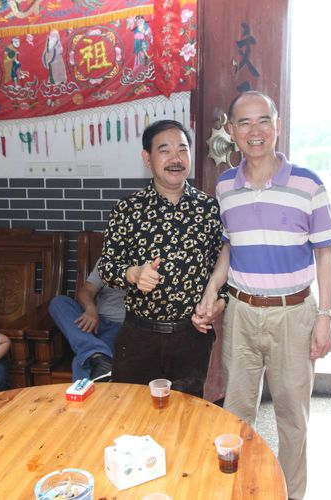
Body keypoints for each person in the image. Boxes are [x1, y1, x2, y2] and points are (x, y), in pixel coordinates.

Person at [196, 90, 331, 500]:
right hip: (240, 312)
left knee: (293, 419)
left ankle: (291, 494)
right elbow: (230, 245)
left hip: (294, 313)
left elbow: (324, 253)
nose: (254, 131)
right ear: (231, 130)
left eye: (263, 121)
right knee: (236, 413)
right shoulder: (225, 185)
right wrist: (212, 288)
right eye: (244, 122)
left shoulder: (308, 183)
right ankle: (237, 490)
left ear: (277, 125)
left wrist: (325, 316)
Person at [97, 119, 226, 398]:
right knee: (131, 411)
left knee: (186, 414)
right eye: (165, 150)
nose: (175, 158)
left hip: (192, 337)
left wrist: (219, 302)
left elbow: (223, 267)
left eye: (182, 149)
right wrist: (133, 273)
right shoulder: (127, 209)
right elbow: (107, 267)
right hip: (139, 336)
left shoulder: (209, 209)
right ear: (147, 158)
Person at [48, 260, 126, 382]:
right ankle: (95, 354)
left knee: (81, 362)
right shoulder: (108, 259)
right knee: (58, 303)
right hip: (95, 320)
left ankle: (94, 355)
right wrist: (90, 308)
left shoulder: (149, 261)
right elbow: (86, 290)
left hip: (120, 326)